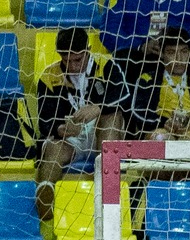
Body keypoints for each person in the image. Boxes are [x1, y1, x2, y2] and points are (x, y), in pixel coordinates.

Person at [33, 27, 129, 222]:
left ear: (89, 50)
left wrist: (99, 107)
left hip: (100, 132)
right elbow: (45, 122)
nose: (72, 66)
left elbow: (126, 100)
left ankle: (107, 191)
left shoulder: (106, 66)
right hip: (71, 138)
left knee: (111, 118)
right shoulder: (48, 76)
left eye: (77, 60)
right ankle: (45, 200)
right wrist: (60, 129)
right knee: (52, 148)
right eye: (66, 60)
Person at [125, 29, 190, 141]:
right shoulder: (147, 80)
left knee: (188, 140)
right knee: (162, 138)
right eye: (171, 53)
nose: (179, 59)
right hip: (160, 129)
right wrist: (164, 122)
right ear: (161, 54)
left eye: (184, 51)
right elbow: (138, 112)